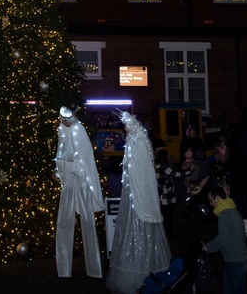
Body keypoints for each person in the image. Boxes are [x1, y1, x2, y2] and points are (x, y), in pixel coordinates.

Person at [105, 112, 171, 294]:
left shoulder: (139, 141)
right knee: (131, 229)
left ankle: (145, 272)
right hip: (133, 193)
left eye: (126, 125)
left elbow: (141, 169)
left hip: (139, 193)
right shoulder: (134, 139)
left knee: (142, 228)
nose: (125, 128)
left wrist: (134, 183)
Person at [54, 106, 105, 278]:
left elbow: (85, 154)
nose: (63, 122)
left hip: (80, 177)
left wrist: (76, 167)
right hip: (69, 176)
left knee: (87, 221)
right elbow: (61, 150)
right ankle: (63, 268)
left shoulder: (78, 129)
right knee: (65, 219)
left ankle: (94, 266)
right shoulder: (62, 129)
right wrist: (61, 167)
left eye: (65, 119)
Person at [203, 184, 247, 294]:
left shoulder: (225, 215)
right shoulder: (230, 208)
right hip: (241, 259)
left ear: (218, 199)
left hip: (235, 261)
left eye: (211, 201)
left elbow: (222, 239)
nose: (210, 204)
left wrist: (207, 247)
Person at [154, 146, 193, 236]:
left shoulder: (155, 166)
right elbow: (177, 174)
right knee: (168, 215)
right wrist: (189, 170)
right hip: (166, 195)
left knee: (163, 215)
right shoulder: (164, 168)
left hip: (159, 194)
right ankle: (168, 232)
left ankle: (164, 232)